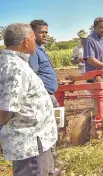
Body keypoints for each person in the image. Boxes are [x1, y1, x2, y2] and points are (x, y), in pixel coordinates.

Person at [0, 23, 58, 176]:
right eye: (33, 38)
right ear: (26, 42)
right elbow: (6, 110)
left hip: (38, 141)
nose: (35, 42)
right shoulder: (14, 68)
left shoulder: (17, 63)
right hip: (30, 146)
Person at [28, 19, 62, 174]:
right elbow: (32, 74)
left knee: (57, 123)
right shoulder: (33, 50)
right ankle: (50, 165)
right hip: (45, 97)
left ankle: (52, 159)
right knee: (49, 128)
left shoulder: (41, 48)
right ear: (32, 32)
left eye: (46, 32)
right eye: (42, 32)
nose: (45, 35)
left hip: (51, 94)